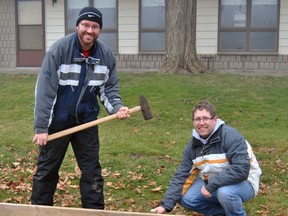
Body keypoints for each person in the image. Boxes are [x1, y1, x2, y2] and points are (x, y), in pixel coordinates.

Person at [31, 7, 130, 209]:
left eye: (95, 27)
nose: (89, 30)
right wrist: (42, 128)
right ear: (78, 26)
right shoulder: (59, 51)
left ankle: (94, 212)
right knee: (47, 170)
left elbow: (109, 88)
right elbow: (45, 91)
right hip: (57, 122)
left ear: (99, 30)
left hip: (86, 121)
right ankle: (39, 211)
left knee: (92, 172)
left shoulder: (106, 56)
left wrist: (117, 107)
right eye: (85, 25)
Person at [152, 100, 262, 216]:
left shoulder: (231, 136)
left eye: (205, 118)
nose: (201, 122)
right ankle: (224, 213)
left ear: (214, 120)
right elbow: (181, 176)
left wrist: (211, 185)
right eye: (197, 119)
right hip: (212, 183)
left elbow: (241, 170)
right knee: (186, 197)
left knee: (225, 193)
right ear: (193, 122)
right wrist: (165, 205)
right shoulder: (192, 147)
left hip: (245, 182)